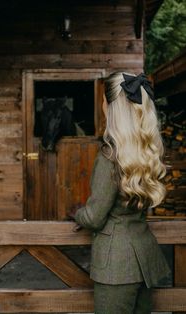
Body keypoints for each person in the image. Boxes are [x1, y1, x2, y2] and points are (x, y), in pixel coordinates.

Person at [67, 71, 171, 314]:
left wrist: (77, 214)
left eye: (104, 100)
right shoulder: (147, 151)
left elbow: (94, 217)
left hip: (116, 266)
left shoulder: (110, 156)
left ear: (111, 107)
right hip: (144, 260)